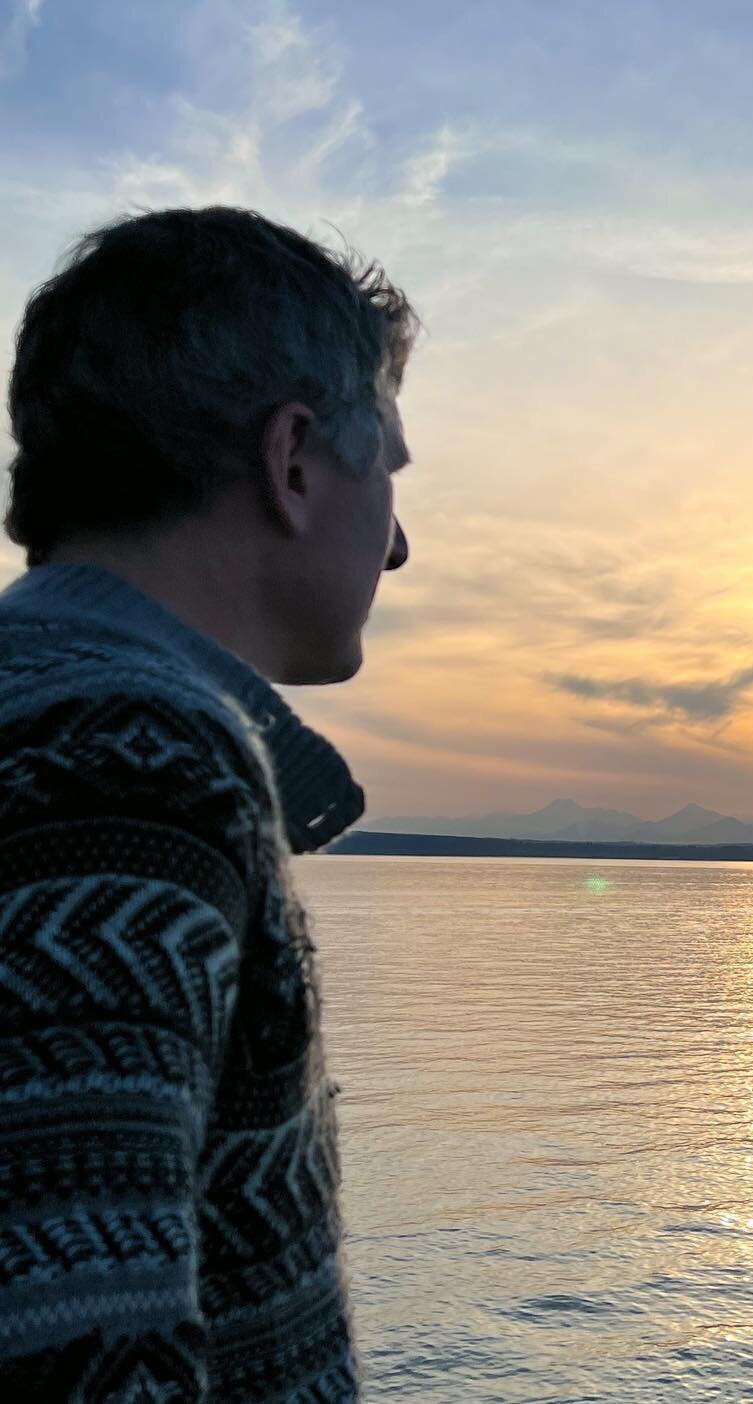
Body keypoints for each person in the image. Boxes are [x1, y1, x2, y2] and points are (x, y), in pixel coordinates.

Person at [0, 206, 417, 1399]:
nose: (396, 549)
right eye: (383, 469)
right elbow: (80, 1346)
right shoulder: (125, 758)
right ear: (292, 462)